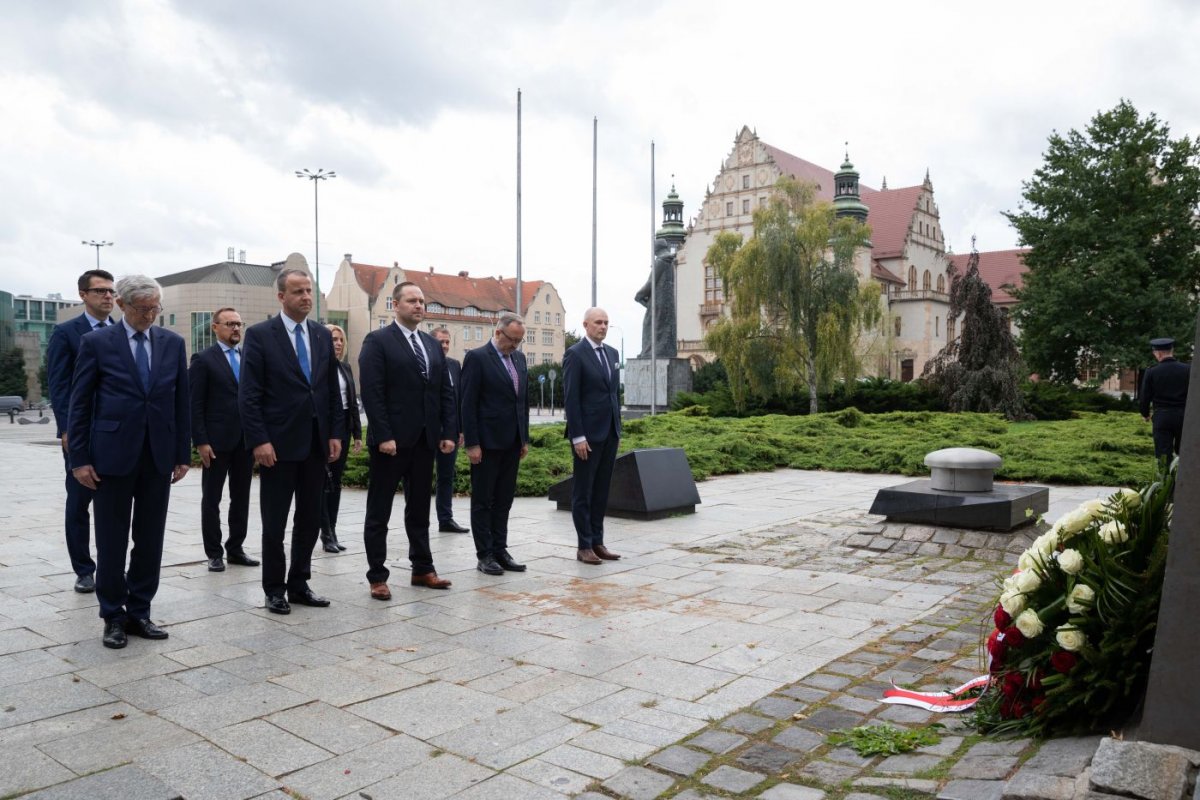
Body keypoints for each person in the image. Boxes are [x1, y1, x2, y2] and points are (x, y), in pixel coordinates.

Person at [68, 275, 190, 649]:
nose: (150, 315)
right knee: (112, 540)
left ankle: (140, 611)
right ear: (122, 305)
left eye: (155, 308)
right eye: (143, 309)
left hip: (157, 456)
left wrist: (181, 453)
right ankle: (112, 615)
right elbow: (80, 403)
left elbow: (181, 401)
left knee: (150, 539)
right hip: (111, 456)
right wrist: (79, 459)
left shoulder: (172, 343)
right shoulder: (96, 343)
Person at [239, 269, 344, 614]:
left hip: (315, 444)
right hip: (277, 446)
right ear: (281, 296)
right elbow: (249, 395)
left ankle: (299, 583)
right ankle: (274, 589)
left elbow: (330, 390)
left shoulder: (321, 335)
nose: (306, 297)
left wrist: (334, 433)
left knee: (310, 519)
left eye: (309, 290)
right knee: (275, 522)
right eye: (298, 291)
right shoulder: (260, 335)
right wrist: (259, 440)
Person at [358, 282, 457, 599]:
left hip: (425, 441)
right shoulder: (378, 341)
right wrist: (384, 434)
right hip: (390, 444)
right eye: (412, 300)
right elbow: (372, 392)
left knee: (419, 509)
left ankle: (422, 568)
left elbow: (444, 391)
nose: (419, 306)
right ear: (396, 304)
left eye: (422, 301)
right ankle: (377, 576)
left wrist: (447, 432)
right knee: (379, 511)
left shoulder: (430, 344)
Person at [46, 268, 115, 593]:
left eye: (111, 291)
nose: (108, 296)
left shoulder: (121, 332)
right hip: (81, 432)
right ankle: (84, 569)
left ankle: (112, 565)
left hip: (116, 433)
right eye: (100, 290)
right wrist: (67, 429)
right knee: (78, 501)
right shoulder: (66, 333)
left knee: (113, 503)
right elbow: (59, 386)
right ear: (83, 295)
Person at [189, 308, 260, 573]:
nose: (236, 328)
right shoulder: (203, 360)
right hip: (216, 443)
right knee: (212, 499)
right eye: (230, 324)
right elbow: (194, 404)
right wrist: (201, 441)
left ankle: (236, 548)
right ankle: (214, 553)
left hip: (245, 441)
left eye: (239, 324)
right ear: (215, 327)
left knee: (241, 498)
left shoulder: (249, 358)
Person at [460, 313, 530, 575]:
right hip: (486, 443)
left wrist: (524, 438)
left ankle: (500, 549)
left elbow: (522, 401)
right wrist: (472, 443)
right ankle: (485, 554)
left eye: (519, 341)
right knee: (483, 501)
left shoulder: (519, 359)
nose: (515, 345)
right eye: (512, 340)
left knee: (504, 500)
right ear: (498, 332)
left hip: (512, 442)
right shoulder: (477, 358)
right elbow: (467, 403)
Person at [562, 307, 622, 564]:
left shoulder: (612, 353)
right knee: (583, 492)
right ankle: (584, 545)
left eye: (606, 322)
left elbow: (613, 394)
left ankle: (598, 542)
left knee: (601, 491)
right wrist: (578, 436)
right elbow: (571, 398)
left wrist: (617, 427)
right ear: (586, 325)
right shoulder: (575, 354)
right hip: (586, 436)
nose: (603, 327)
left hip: (610, 432)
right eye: (598, 322)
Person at [319, 323, 362, 553]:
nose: (337, 343)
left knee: (335, 483)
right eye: (333, 339)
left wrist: (357, 434)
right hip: (324, 430)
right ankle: (325, 533)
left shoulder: (345, 367)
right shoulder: (318, 367)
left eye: (340, 339)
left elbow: (352, 402)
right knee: (322, 483)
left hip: (343, 428)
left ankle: (332, 530)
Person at [432, 327, 469, 534]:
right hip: (428, 432)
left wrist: (460, 430)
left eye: (447, 342)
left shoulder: (454, 365)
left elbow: (458, 399)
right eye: (441, 342)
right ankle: (419, 520)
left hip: (451, 433)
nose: (445, 346)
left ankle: (445, 519)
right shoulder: (425, 364)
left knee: (446, 477)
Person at [1140, 337, 1190, 461]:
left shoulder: (1152, 372)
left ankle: (1165, 473)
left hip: (1162, 417)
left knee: (1163, 454)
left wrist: (1145, 414)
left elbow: (1145, 396)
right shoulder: (1188, 369)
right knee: (1184, 453)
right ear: (1172, 351)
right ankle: (1181, 473)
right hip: (1184, 416)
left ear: (1159, 353)